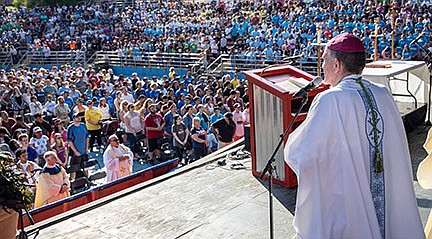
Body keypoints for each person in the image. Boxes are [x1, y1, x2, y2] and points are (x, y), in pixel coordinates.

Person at [283, 33, 424, 239]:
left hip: (350, 200)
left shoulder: (330, 99)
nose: (321, 66)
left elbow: (301, 153)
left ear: (337, 65)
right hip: (385, 192)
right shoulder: (383, 94)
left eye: (324, 59)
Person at [67, 113, 89, 180]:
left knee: (86, 166)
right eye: (77, 117)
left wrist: (87, 148)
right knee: (74, 168)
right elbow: (69, 141)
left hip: (84, 151)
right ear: (73, 119)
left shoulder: (83, 125)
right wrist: (75, 151)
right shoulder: (71, 128)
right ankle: (72, 183)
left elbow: (87, 137)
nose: (79, 118)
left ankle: (87, 180)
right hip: (75, 153)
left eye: (79, 116)